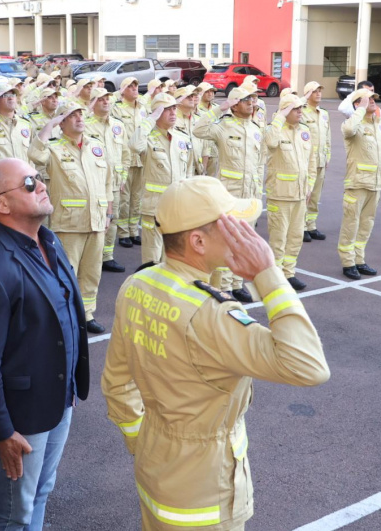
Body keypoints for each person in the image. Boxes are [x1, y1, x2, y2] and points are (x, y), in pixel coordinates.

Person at [101, 176, 329, 531]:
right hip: (205, 495)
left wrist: (140, 440)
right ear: (197, 241)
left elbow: (116, 383)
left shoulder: (138, 284)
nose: (244, 230)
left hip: (155, 469)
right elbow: (309, 366)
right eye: (231, 224)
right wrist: (267, 275)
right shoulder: (212, 314)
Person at [0, 158, 90, 531]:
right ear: (1, 203)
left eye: (39, 178)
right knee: (16, 512)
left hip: (59, 398)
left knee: (41, 492)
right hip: (23, 416)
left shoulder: (48, 241)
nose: (42, 185)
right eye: (29, 183)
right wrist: (1, 431)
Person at [30, 102, 113, 333]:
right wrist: (50, 126)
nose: (78, 118)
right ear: (62, 122)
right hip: (69, 223)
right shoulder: (54, 148)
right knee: (66, 274)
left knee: (91, 273)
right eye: (72, 115)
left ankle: (86, 315)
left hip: (96, 220)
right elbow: (35, 154)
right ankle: (63, 316)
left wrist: (108, 213)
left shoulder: (95, 146)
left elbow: (107, 182)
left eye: (80, 114)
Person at [194, 86, 265, 302]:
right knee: (226, 243)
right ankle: (222, 287)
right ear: (234, 104)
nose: (251, 103)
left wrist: (258, 192)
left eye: (252, 100)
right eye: (246, 100)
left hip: (249, 193)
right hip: (230, 193)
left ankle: (237, 283)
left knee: (244, 241)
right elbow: (198, 129)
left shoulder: (255, 128)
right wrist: (219, 109)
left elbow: (259, 161)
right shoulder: (223, 126)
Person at [131, 93, 191, 266]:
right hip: (154, 208)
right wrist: (150, 119)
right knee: (152, 260)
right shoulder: (148, 138)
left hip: (177, 208)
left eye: (174, 108)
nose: (172, 113)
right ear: (156, 112)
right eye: (166, 109)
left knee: (174, 259)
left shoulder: (182, 138)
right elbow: (135, 145)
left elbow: (188, 174)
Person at [264, 93, 313, 291]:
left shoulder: (305, 131)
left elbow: (311, 161)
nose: (300, 111)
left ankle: (289, 273)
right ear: (285, 111)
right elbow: (270, 143)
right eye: (295, 108)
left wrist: (309, 185)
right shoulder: (275, 130)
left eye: (301, 107)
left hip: (300, 194)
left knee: (295, 237)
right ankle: (275, 278)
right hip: (280, 194)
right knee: (278, 238)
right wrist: (279, 117)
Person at [338, 89, 381, 280]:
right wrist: (360, 109)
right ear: (358, 104)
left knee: (367, 223)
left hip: (375, 183)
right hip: (357, 182)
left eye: (374, 99)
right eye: (368, 99)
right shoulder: (351, 124)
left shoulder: (377, 124)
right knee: (351, 223)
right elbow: (349, 130)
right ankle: (348, 262)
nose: (373, 102)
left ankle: (359, 259)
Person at [85, 87, 131, 274]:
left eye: (107, 99)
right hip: (94, 183)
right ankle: (92, 258)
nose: (105, 102)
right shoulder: (86, 125)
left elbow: (126, 154)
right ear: (93, 103)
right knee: (94, 220)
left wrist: (123, 178)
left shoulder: (118, 126)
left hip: (114, 183)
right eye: (101, 99)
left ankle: (107, 257)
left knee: (112, 220)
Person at [112, 77, 146, 248]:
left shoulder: (142, 109)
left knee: (137, 198)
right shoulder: (117, 108)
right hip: (125, 159)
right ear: (122, 90)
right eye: (130, 86)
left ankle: (134, 230)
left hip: (140, 159)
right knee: (124, 199)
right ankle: (123, 232)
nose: (134, 88)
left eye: (136, 85)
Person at [301, 81, 331, 242]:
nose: (318, 93)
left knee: (315, 196)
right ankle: (302, 227)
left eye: (320, 90)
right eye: (314, 91)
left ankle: (311, 225)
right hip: (307, 161)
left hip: (320, 160)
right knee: (306, 194)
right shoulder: (301, 111)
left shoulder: (324, 113)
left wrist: (327, 156)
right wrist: (302, 99)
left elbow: (327, 137)